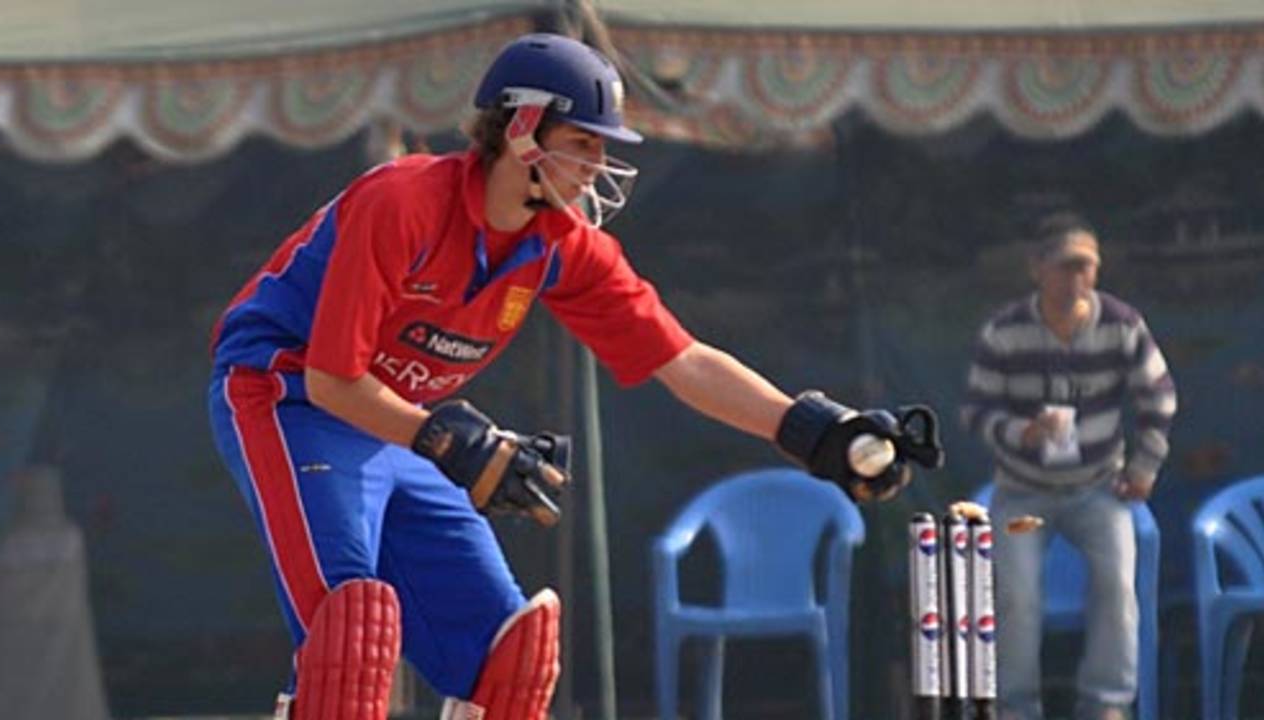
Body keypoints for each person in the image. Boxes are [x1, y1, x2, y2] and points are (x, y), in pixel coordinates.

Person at [207, 33, 942, 720]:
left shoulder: (563, 245)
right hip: (288, 391)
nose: (598, 167)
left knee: (511, 659)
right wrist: (448, 441)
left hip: (402, 421)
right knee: (353, 640)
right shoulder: (403, 204)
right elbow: (335, 379)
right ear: (522, 129)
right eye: (583, 144)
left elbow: (682, 360)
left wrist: (812, 431)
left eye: (604, 149)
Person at [959, 213, 1177, 720]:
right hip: (1023, 490)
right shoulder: (1004, 332)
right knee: (1014, 595)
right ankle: (1014, 708)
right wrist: (1021, 433)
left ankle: (1106, 704)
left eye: (1088, 267)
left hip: (1097, 486)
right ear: (1038, 270)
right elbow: (975, 411)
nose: (1078, 278)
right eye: (1067, 267)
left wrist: (1144, 467)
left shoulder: (1121, 325)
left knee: (1117, 583)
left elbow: (1160, 399)